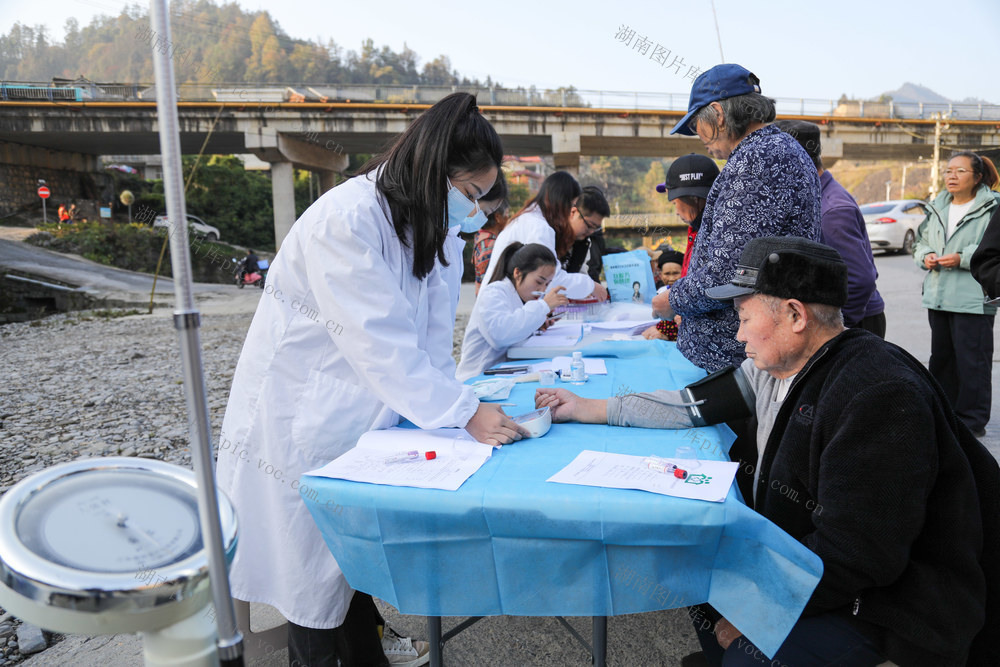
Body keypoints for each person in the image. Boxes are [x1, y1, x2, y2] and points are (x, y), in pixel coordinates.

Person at [536, 236, 999, 667]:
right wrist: (588, 407)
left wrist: (759, 606)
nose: (738, 336)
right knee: (702, 581)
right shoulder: (778, 366)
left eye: (744, 318)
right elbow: (694, 405)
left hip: (893, 603)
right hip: (837, 567)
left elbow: (858, 555)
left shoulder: (877, 395)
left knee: (747, 647)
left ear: (795, 316)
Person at [216, 93, 530, 667]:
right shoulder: (348, 218)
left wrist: (456, 407)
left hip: (367, 413)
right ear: (437, 173)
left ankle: (365, 651)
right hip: (304, 416)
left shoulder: (429, 228)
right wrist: (461, 412)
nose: (478, 210)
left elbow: (430, 345)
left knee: (347, 560)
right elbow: (378, 342)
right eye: (472, 194)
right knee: (309, 575)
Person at [654, 64, 822, 372]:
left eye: (696, 125)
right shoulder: (780, 149)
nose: (697, 136)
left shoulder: (756, 161)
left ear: (717, 113)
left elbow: (729, 273)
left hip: (740, 361)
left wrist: (673, 300)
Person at [913, 151, 1000, 438]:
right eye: (949, 170)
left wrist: (960, 257)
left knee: (972, 364)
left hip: (973, 298)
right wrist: (925, 256)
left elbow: (991, 249)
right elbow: (920, 242)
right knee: (942, 361)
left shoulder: (992, 206)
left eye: (960, 171)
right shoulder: (937, 205)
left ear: (977, 177)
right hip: (938, 295)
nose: (951, 176)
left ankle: (972, 422)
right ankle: (945, 415)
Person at [774, 120, 886, 337]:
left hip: (856, 323)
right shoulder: (812, 197)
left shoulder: (831, 210)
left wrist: (837, 328)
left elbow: (859, 280)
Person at [481, 172, 610, 301]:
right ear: (560, 202)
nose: (571, 211)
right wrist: (590, 286)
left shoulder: (530, 217)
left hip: (500, 302)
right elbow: (550, 276)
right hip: (501, 304)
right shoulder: (539, 227)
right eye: (571, 205)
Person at [456, 242, 568, 380]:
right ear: (517, 273)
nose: (542, 290)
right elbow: (501, 335)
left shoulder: (520, 296)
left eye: (547, 284)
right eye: (539, 282)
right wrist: (543, 306)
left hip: (503, 374)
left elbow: (516, 325)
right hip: (478, 378)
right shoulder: (494, 292)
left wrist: (537, 324)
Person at [655, 153, 720, 277]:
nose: (676, 212)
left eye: (675, 203)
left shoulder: (717, 235)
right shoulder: (698, 230)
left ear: (695, 198)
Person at [643, 250, 685, 341]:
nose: (671, 278)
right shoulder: (660, 292)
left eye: (675, 273)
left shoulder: (687, 293)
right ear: (661, 274)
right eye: (667, 274)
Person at [473, 202, 510, 294]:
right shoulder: (489, 245)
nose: (508, 219)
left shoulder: (481, 235)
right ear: (498, 217)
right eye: (507, 215)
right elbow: (490, 281)